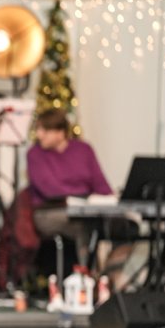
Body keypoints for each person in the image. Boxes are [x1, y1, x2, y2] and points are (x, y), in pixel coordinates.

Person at [27, 108, 130, 272]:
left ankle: (110, 276)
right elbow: (49, 189)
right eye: (38, 129)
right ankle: (87, 278)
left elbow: (100, 184)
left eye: (45, 130)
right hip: (50, 211)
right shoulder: (35, 154)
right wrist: (82, 198)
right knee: (84, 227)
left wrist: (110, 200)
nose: (39, 135)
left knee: (125, 225)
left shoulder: (83, 149)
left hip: (86, 209)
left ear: (60, 132)